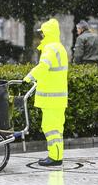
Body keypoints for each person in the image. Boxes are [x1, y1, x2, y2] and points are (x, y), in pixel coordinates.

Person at [23, 18, 68, 166]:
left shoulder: (50, 49)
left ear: (48, 33)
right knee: (57, 128)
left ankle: (54, 158)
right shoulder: (60, 47)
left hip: (51, 98)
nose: (42, 36)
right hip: (59, 98)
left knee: (50, 128)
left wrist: (29, 77)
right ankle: (56, 155)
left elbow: (44, 66)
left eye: (43, 33)